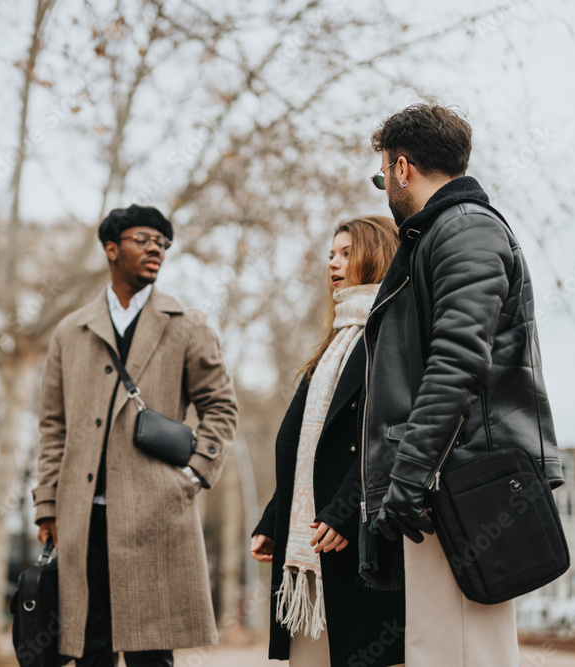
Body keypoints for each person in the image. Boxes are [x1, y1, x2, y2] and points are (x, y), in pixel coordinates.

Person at [361, 104, 563, 666]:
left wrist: (410, 474)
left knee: (462, 653)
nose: (385, 188)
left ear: (402, 168)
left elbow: (456, 361)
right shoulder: (444, 233)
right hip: (453, 481)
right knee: (444, 650)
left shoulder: (464, 227)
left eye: (382, 175)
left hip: (465, 486)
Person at [31, 204, 239, 667]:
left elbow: (221, 408)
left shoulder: (188, 324)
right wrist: (48, 504)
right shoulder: (71, 331)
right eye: (143, 239)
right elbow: (53, 427)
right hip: (81, 519)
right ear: (111, 249)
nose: (156, 250)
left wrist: (194, 476)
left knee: (152, 655)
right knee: (89, 652)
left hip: (156, 517)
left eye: (162, 243)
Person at [250, 216, 405, 667]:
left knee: (362, 652)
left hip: (356, 536)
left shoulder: (390, 333)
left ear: (374, 255)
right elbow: (303, 446)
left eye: (345, 253)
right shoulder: (334, 341)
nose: (333, 263)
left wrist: (344, 510)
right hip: (311, 544)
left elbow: (387, 437)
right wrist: (272, 521)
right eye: (331, 254)